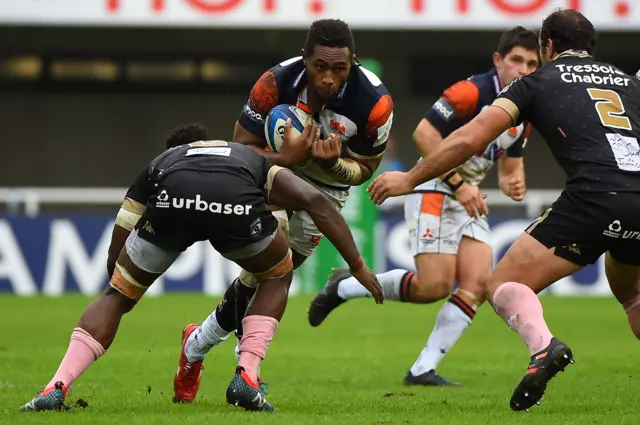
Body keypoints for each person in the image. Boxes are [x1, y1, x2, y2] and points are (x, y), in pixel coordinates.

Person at [368, 9, 640, 411]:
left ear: (548, 47)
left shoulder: (535, 82)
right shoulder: (628, 83)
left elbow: (468, 138)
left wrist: (409, 178)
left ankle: (543, 347)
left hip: (594, 199)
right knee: (632, 293)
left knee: (500, 285)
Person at [20, 123, 382, 413]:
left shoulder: (163, 163)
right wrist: (359, 265)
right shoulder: (246, 157)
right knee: (276, 274)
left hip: (170, 201)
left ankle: (57, 385)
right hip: (235, 205)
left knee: (117, 294)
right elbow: (317, 203)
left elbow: (125, 222)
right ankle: (247, 376)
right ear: (211, 142)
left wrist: (118, 281)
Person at [173, 18, 393, 404]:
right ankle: (248, 373)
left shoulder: (375, 104)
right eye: (319, 67)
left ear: (352, 63)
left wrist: (332, 166)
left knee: (259, 279)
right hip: (270, 174)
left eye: (338, 69)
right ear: (304, 58)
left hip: (328, 185)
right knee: (275, 272)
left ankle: (196, 344)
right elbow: (240, 149)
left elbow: (365, 169)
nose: (328, 78)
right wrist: (285, 157)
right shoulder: (274, 83)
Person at [307, 27, 539, 387]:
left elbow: (511, 163)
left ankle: (422, 369)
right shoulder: (471, 92)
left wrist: (514, 181)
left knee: (477, 284)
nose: (523, 69)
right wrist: (460, 185)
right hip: (434, 186)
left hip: (467, 196)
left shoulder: (524, 107)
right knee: (433, 287)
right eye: (516, 60)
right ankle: (344, 286)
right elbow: (425, 135)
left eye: (532, 63)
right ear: (498, 61)